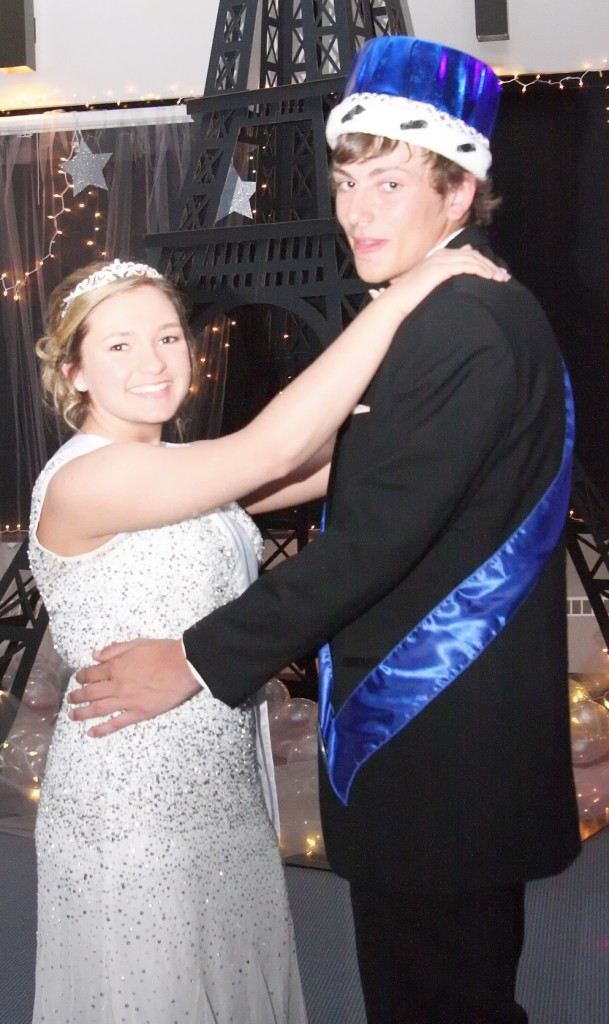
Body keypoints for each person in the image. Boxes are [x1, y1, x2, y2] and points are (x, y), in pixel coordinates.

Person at [69, 36, 581, 1024]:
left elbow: (371, 541)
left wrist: (192, 658)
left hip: (439, 746)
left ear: (458, 192)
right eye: (348, 182)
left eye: (389, 184)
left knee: (437, 997)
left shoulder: (460, 326)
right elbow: (351, 466)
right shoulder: (450, 308)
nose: (354, 212)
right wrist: (181, 497)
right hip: (446, 743)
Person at [28, 246, 501, 1024]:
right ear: (75, 371)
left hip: (223, 786)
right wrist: (407, 292)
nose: (154, 360)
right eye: (118, 345)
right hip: (133, 801)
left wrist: (432, 392)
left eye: (168, 337)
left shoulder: (182, 468)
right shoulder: (88, 477)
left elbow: (333, 460)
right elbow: (273, 449)